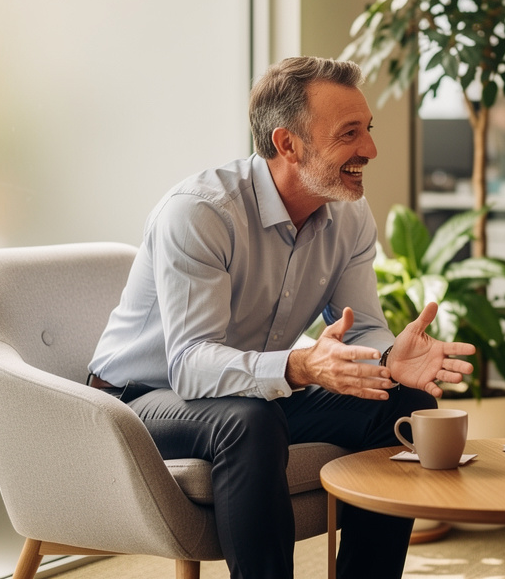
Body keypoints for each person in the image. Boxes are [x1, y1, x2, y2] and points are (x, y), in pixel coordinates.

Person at [87, 56, 477, 579]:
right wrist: (300, 366)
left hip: (251, 393)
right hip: (138, 399)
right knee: (247, 420)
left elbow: (359, 327)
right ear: (287, 144)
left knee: (402, 402)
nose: (370, 149)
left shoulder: (349, 213)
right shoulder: (202, 212)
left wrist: (386, 358)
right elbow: (190, 365)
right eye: (349, 133)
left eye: (368, 130)